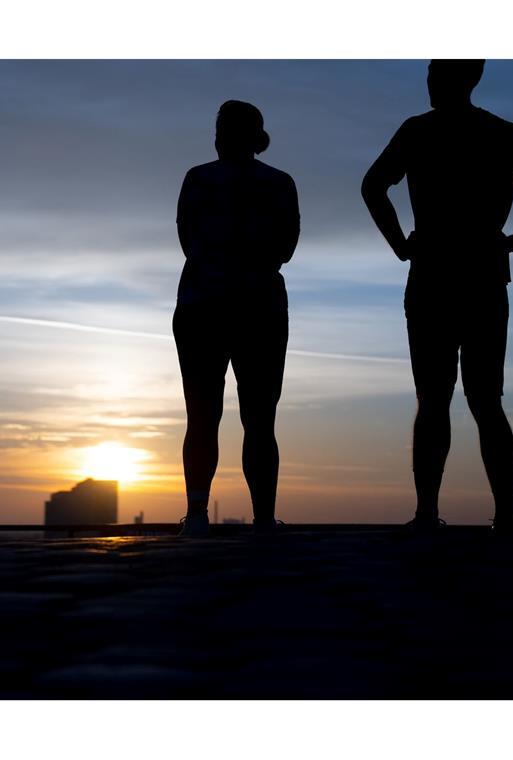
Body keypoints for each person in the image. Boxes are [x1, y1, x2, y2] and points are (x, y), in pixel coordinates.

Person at [361, 60, 513, 531]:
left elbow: (372, 186)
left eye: (436, 76)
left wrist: (404, 245)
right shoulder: (498, 133)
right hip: (474, 275)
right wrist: (510, 241)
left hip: (441, 274)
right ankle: (480, 515)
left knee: (451, 398)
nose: (430, 84)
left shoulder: (423, 132)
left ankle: (447, 514)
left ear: (461, 80)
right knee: (472, 399)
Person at [174, 100, 300, 537]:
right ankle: (261, 518)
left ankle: (196, 516)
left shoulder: (199, 179)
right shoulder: (280, 184)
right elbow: (286, 246)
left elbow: (186, 238)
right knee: (259, 418)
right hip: (257, 304)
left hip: (204, 304)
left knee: (204, 415)